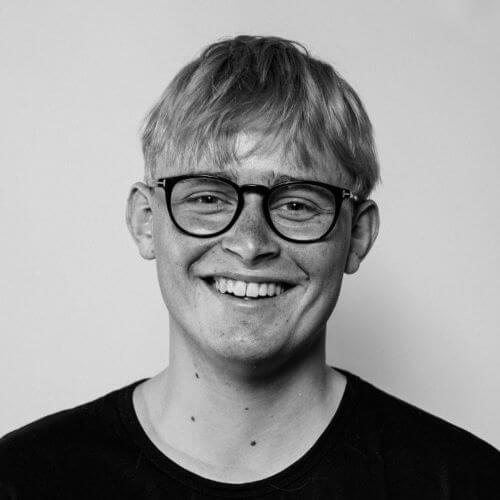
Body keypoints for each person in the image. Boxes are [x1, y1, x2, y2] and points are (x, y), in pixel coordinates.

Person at [1, 35, 498, 499]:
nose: (249, 243)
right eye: (208, 197)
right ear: (146, 222)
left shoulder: (465, 482)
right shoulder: (23, 478)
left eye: (297, 204)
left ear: (358, 236)